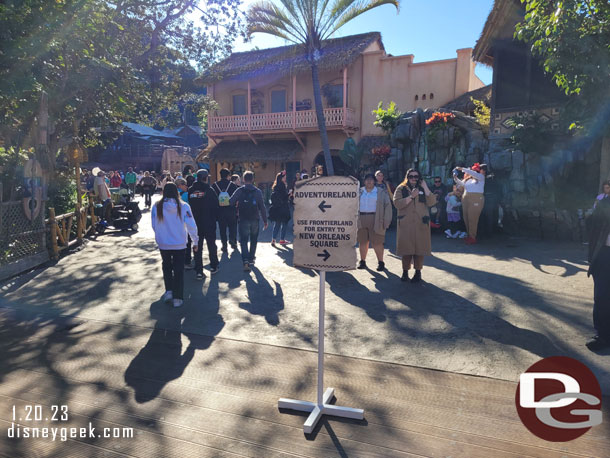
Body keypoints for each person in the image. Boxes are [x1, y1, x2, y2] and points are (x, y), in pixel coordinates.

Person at [151, 182, 199, 308]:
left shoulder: (157, 206)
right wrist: (195, 240)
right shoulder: (184, 206)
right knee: (178, 269)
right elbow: (191, 225)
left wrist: (160, 235)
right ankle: (178, 297)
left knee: (166, 266)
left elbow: (154, 224)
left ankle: (169, 291)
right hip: (179, 243)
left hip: (163, 243)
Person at [393, 169, 437, 282]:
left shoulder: (423, 188)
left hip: (420, 223)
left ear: (419, 177)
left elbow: (432, 202)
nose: (413, 178)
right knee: (406, 250)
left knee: (420, 250)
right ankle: (405, 272)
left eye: (416, 176)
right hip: (406, 223)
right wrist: (411, 196)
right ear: (407, 177)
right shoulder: (401, 188)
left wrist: (426, 187)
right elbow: (397, 203)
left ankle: (418, 272)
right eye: (411, 176)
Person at [230, 171, 268, 272]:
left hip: (243, 219)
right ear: (252, 180)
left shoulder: (239, 190)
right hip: (255, 218)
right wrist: (265, 220)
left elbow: (231, 201)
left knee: (243, 241)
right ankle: (251, 259)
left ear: (243, 179)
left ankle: (245, 260)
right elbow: (262, 207)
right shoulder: (258, 191)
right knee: (254, 240)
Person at [586, 198, 610, 351]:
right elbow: (593, 230)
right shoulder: (604, 204)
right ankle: (603, 336)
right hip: (605, 255)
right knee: (602, 296)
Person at [188, 169, 219, 279]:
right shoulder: (209, 190)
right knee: (211, 245)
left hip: (195, 223)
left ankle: (199, 271)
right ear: (206, 178)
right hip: (209, 222)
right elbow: (216, 205)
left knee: (197, 246)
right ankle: (214, 266)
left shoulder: (190, 191)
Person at [357, 173, 393, 271]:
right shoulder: (359, 192)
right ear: (364, 181)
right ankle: (362, 261)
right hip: (361, 218)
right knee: (363, 242)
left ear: (374, 181)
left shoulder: (380, 192)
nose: (369, 181)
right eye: (367, 179)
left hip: (376, 219)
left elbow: (388, 206)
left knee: (377, 242)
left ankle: (381, 262)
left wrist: (387, 220)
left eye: (371, 179)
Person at [453, 163, 487, 245]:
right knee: (466, 218)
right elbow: (461, 184)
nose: (474, 171)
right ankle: (469, 236)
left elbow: (473, 174)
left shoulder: (481, 177)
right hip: (466, 198)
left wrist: (462, 168)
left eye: (476, 170)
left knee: (472, 218)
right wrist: (455, 178)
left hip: (476, 199)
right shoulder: (468, 180)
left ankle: (472, 237)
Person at [212, 168, 239, 252]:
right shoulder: (232, 185)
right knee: (233, 226)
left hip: (220, 211)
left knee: (222, 229)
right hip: (231, 209)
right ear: (228, 176)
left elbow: (213, 199)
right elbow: (236, 198)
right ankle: (232, 240)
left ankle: (224, 245)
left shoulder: (215, 185)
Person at [268, 171, 292, 246]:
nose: (285, 179)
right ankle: (282, 240)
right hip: (283, 208)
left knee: (277, 224)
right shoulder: (282, 186)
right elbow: (284, 198)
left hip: (276, 208)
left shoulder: (275, 186)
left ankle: (273, 240)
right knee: (284, 224)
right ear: (281, 178)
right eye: (284, 178)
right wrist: (289, 193)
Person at [175, 178, 193, 269]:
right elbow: (189, 210)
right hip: (185, 222)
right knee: (187, 242)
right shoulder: (186, 195)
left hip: (174, 223)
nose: (187, 186)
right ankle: (187, 261)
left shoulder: (172, 196)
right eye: (185, 185)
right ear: (180, 185)